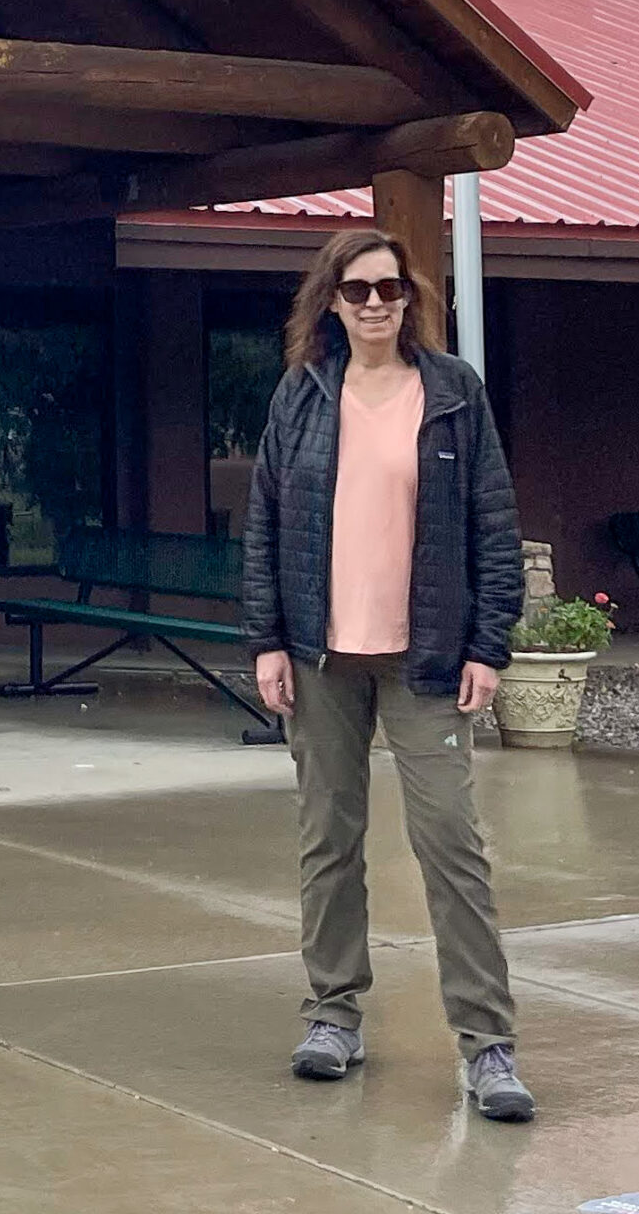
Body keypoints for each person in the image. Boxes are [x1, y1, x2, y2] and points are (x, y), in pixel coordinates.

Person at [241, 226, 536, 1123]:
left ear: (412, 300)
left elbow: (493, 527)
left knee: (452, 845)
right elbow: (264, 524)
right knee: (328, 841)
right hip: (320, 655)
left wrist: (488, 646)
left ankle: (488, 1044)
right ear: (332, 301)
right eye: (359, 289)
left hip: (427, 658)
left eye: (392, 289)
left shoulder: (452, 395)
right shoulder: (301, 396)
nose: (377, 303)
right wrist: (266, 639)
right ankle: (332, 1013)